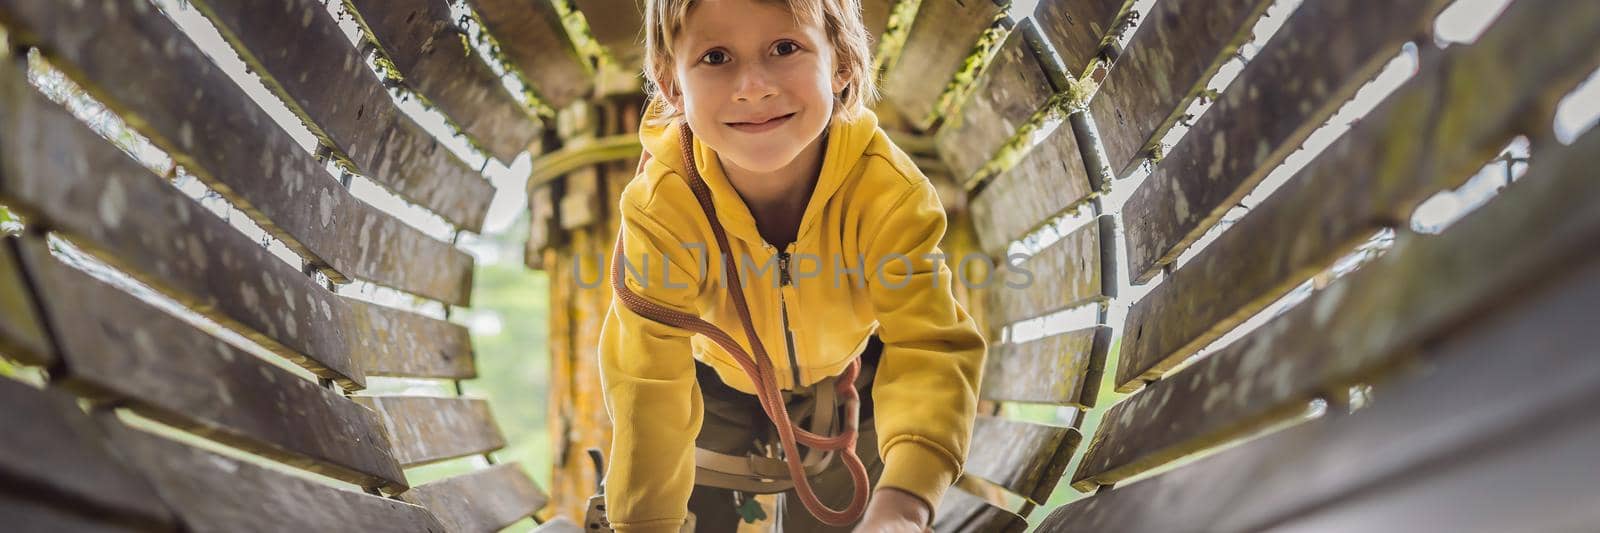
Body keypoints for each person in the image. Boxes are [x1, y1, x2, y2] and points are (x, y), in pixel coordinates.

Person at [597, 0, 987, 529]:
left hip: (848, 386)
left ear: (842, 62)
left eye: (785, 48)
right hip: (714, 387)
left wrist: (904, 504)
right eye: (715, 57)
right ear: (671, 84)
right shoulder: (663, 207)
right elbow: (648, 381)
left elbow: (928, 345)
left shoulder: (887, 193)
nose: (753, 86)